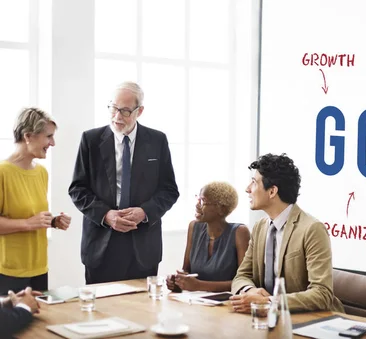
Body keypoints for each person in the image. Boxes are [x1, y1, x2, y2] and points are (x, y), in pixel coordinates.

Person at [69, 81, 179, 284]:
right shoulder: (90, 140)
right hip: (101, 243)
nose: (117, 116)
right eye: (113, 108)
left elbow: (169, 190)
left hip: (143, 244)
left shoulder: (157, 141)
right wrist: (106, 215)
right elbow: (77, 188)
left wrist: (144, 212)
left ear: (140, 111)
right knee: (102, 313)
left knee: (142, 312)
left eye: (126, 111)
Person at [230, 153, 344, 313]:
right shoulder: (259, 227)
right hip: (270, 320)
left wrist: (269, 302)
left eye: (254, 182)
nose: (247, 189)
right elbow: (241, 276)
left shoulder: (312, 229)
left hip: (310, 321)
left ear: (272, 192)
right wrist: (250, 291)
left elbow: (322, 294)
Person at [0, 108, 71, 295]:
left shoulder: (41, 172)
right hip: (8, 271)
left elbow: (30, 213)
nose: (53, 143)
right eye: (48, 136)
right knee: (13, 323)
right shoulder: (2, 173)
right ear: (28, 136)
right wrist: (27, 224)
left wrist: (53, 222)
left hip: (39, 268)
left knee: (40, 322)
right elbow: (27, 220)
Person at [166, 182, 250, 293]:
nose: (197, 205)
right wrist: (178, 281)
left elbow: (244, 282)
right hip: (196, 303)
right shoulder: (194, 227)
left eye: (203, 201)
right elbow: (186, 270)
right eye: (198, 199)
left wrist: (199, 285)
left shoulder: (239, 232)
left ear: (221, 208)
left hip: (227, 304)